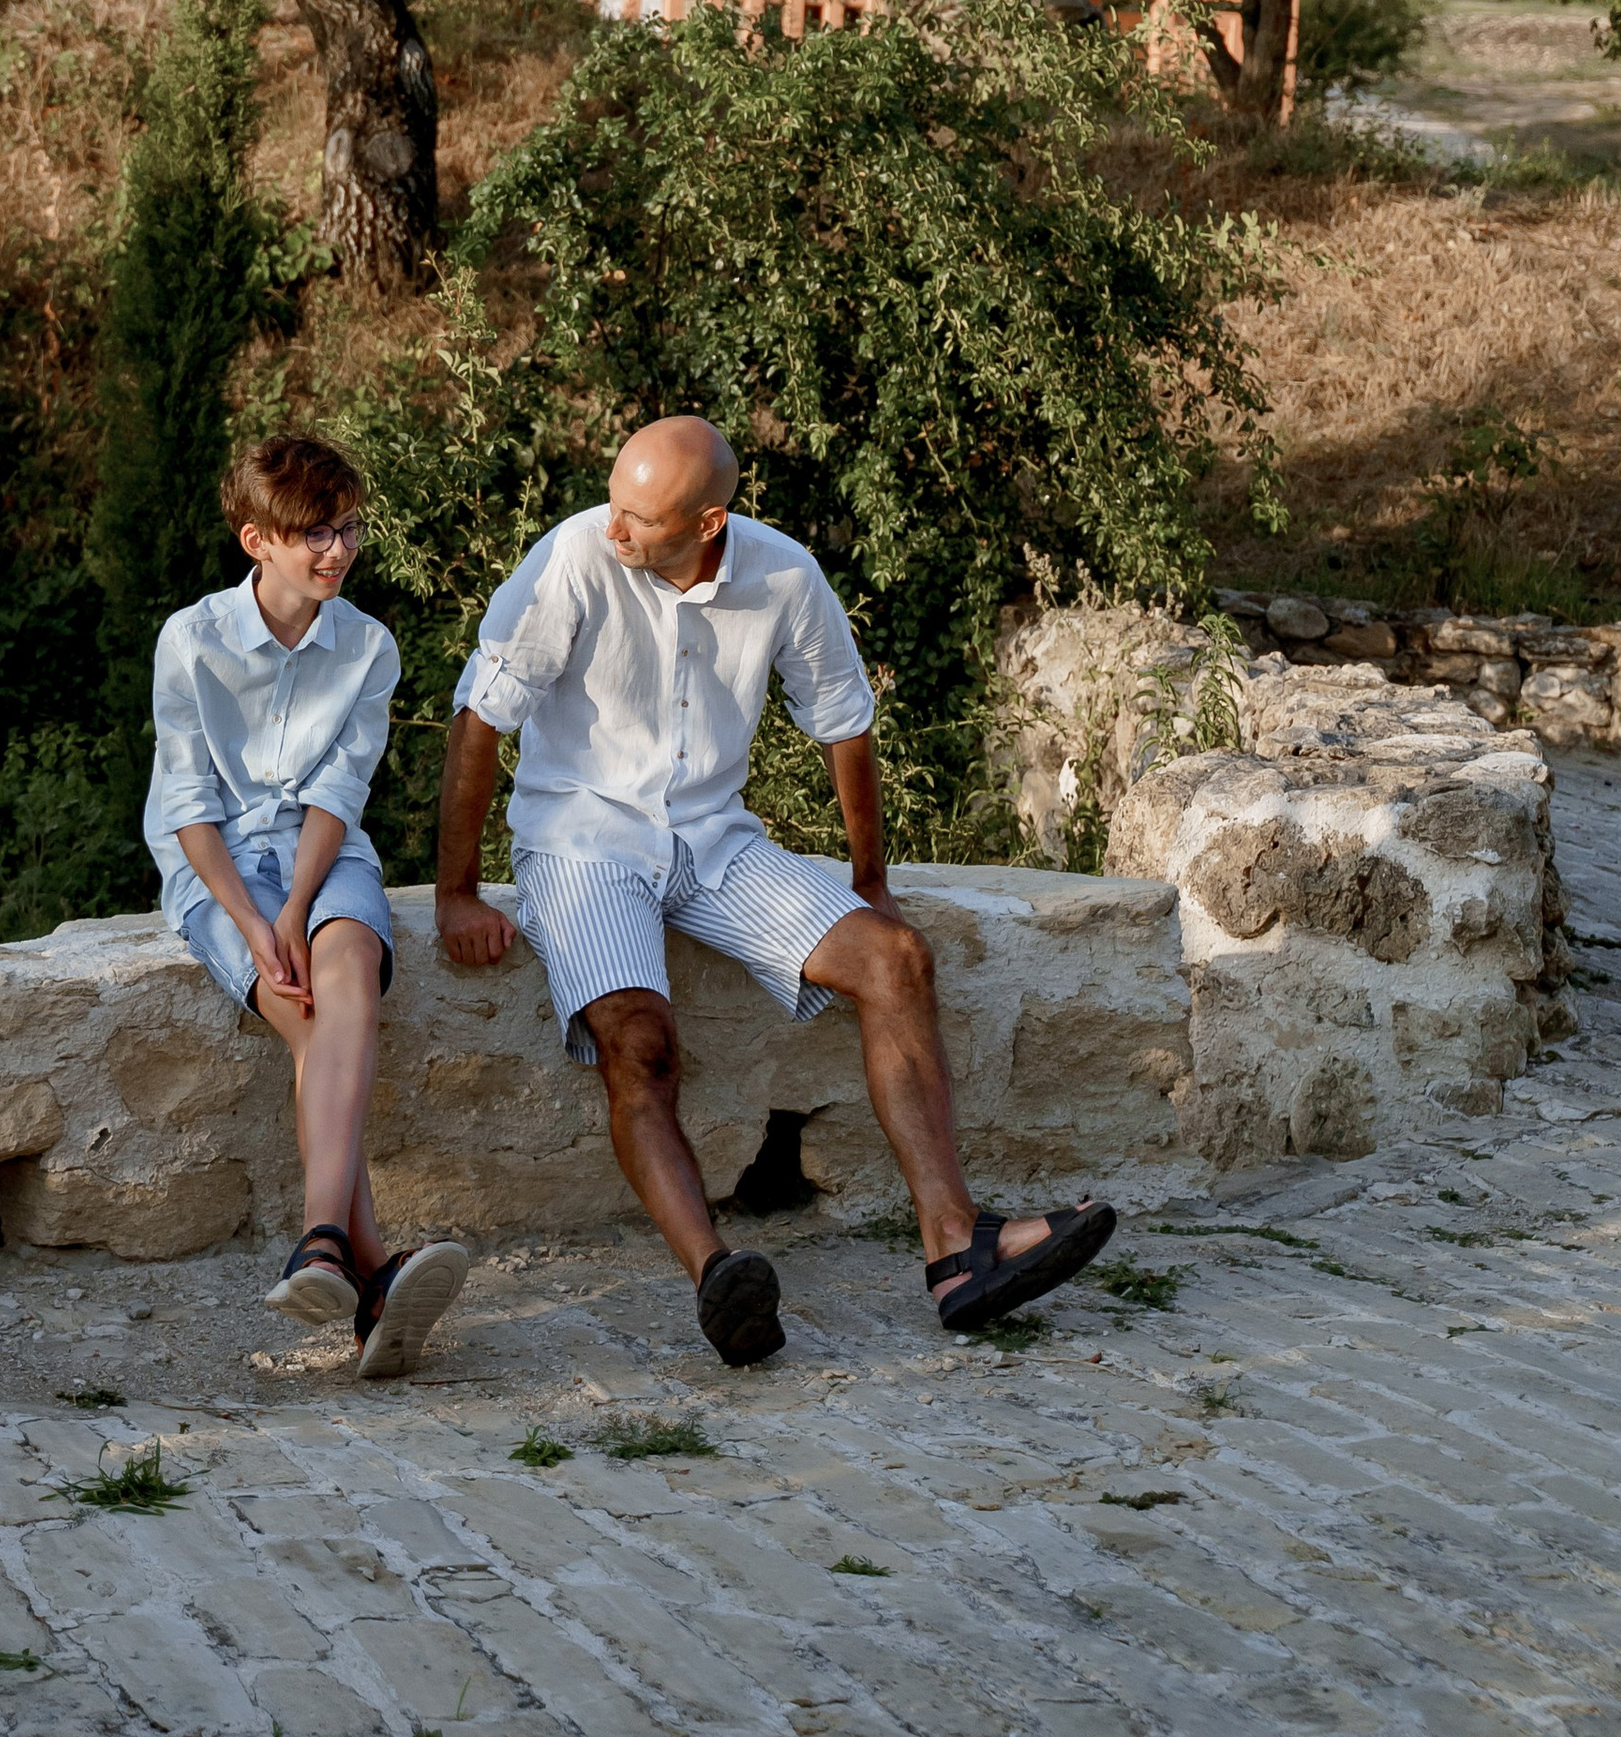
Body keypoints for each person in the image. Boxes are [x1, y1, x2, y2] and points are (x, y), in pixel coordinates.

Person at [434, 413, 1115, 1367]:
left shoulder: (784, 574)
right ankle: (719, 1278)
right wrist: (456, 893)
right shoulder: (571, 561)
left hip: (715, 840)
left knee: (896, 958)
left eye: (641, 518)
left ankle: (958, 1247)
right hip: (582, 843)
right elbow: (479, 720)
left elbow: (844, 721)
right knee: (640, 1044)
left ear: (709, 522)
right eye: (614, 503)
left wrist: (870, 880)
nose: (614, 529)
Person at [148, 431, 469, 1381]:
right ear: (257, 541)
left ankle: (321, 1237)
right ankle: (370, 1275)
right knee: (303, 1017)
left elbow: (341, 789)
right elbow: (187, 804)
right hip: (216, 867)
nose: (338, 551)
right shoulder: (191, 639)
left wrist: (298, 909)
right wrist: (256, 923)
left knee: (348, 972)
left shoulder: (368, 645)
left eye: (348, 530)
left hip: (328, 853)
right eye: (314, 534)